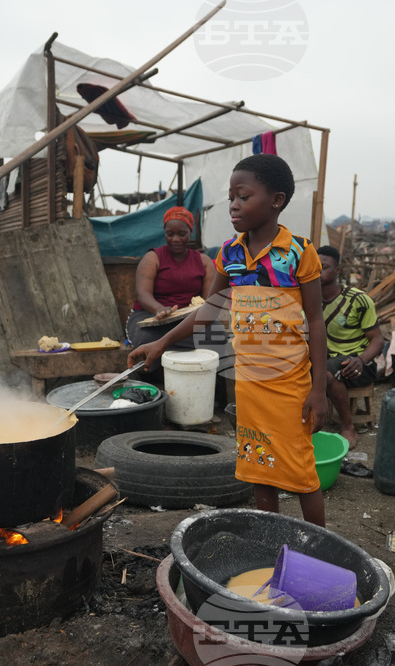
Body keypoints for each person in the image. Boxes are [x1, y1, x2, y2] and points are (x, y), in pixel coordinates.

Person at [128, 154, 328, 527]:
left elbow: (316, 320)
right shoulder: (230, 254)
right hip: (248, 382)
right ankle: (269, 543)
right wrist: (161, 343)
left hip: (288, 384)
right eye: (231, 196)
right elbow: (207, 311)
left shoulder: (299, 252)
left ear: (276, 200)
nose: (233, 205)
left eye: (243, 196)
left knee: (300, 473)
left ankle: (317, 549)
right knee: (258, 468)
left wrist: (319, 389)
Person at [317, 245, 384, 449]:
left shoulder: (358, 300)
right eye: (315, 266)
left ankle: (348, 427)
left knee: (326, 373)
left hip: (357, 363)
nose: (318, 271)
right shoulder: (308, 300)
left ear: (337, 271)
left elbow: (378, 340)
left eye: (324, 267)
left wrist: (361, 360)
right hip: (326, 359)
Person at [124, 206, 215, 352]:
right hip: (150, 315)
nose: (175, 239)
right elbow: (142, 294)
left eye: (182, 234)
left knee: (216, 336)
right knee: (147, 340)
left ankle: (191, 372)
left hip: (188, 319)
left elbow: (208, 301)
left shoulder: (204, 261)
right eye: (170, 234)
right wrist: (159, 309)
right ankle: (155, 374)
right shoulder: (153, 257)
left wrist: (195, 315)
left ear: (191, 233)